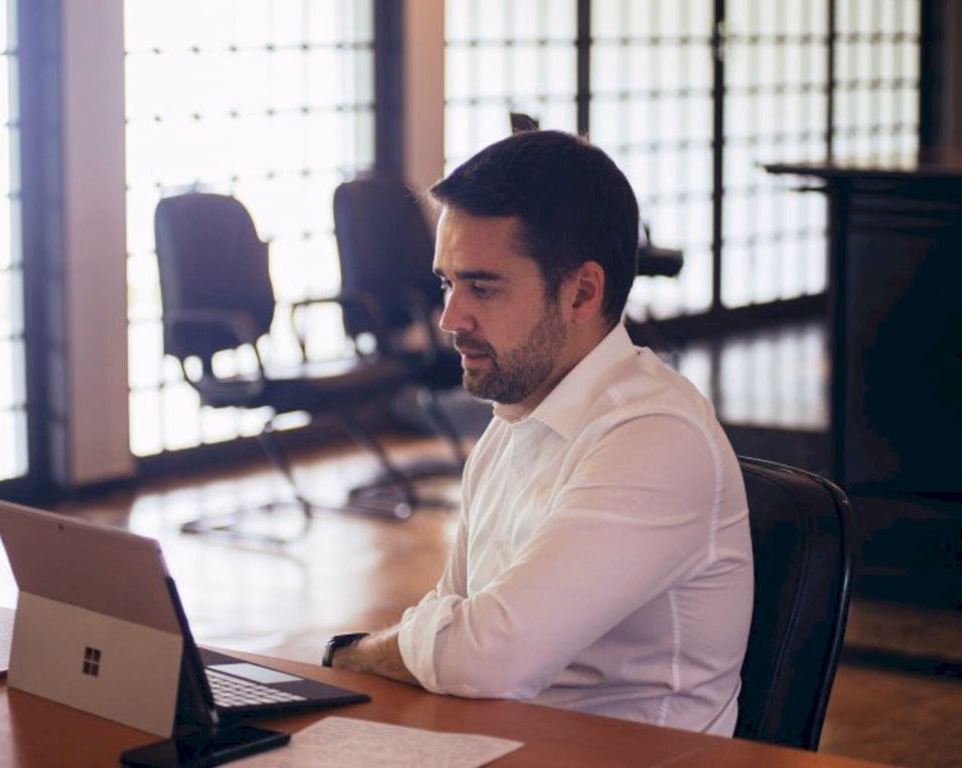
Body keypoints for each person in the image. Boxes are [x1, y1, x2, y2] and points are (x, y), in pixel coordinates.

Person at [322, 130, 754, 736]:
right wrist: (444, 641)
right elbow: (454, 631)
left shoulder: (656, 436)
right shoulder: (511, 425)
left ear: (582, 292)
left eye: (482, 286)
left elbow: (483, 657)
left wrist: (352, 654)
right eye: (448, 283)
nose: (450, 318)